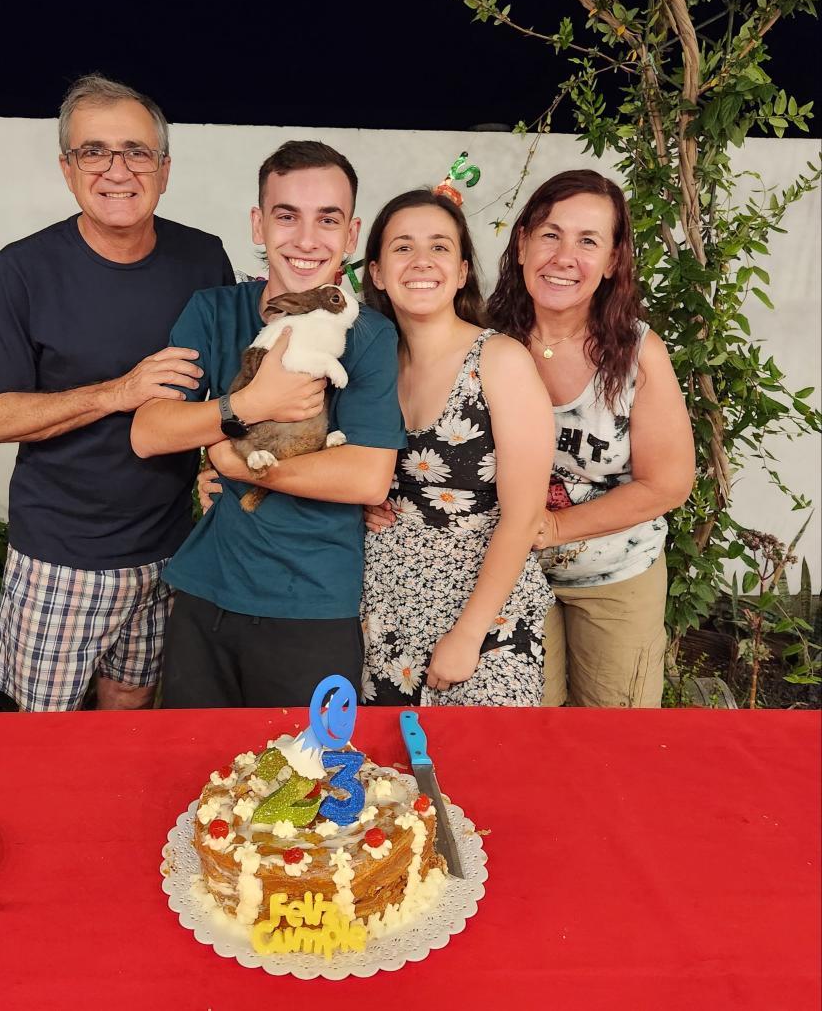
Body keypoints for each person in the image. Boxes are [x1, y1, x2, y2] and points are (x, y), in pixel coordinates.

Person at [0, 74, 234, 712]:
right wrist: (116, 392)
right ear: (67, 168)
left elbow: (228, 387)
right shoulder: (25, 268)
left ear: (164, 169)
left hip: (170, 549)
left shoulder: (202, 259)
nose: (117, 170)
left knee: (128, 712)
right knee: (39, 729)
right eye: (94, 152)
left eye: (136, 152)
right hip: (61, 560)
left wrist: (220, 465)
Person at [130, 140, 405, 707]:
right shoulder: (212, 311)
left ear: (351, 234)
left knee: (307, 763)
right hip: (208, 591)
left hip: (313, 604)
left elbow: (367, 478)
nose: (306, 239)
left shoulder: (369, 335)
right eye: (287, 216)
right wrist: (248, 406)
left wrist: (236, 465)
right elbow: (149, 433)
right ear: (258, 224)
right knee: (195, 759)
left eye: (327, 219)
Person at [485, 169, 695, 708]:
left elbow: (668, 483)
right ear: (522, 242)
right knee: (524, 726)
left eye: (587, 241)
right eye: (551, 235)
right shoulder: (482, 338)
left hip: (615, 575)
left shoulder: (637, 352)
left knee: (613, 735)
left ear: (613, 260)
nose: (564, 257)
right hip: (506, 573)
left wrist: (556, 526)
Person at [358, 190, 555, 705]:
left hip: (483, 615)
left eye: (440, 247)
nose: (422, 261)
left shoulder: (499, 360)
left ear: (463, 271)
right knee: (386, 757)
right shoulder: (368, 365)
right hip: (384, 612)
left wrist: (469, 634)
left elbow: (524, 515)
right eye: (403, 247)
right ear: (377, 272)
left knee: (482, 755)